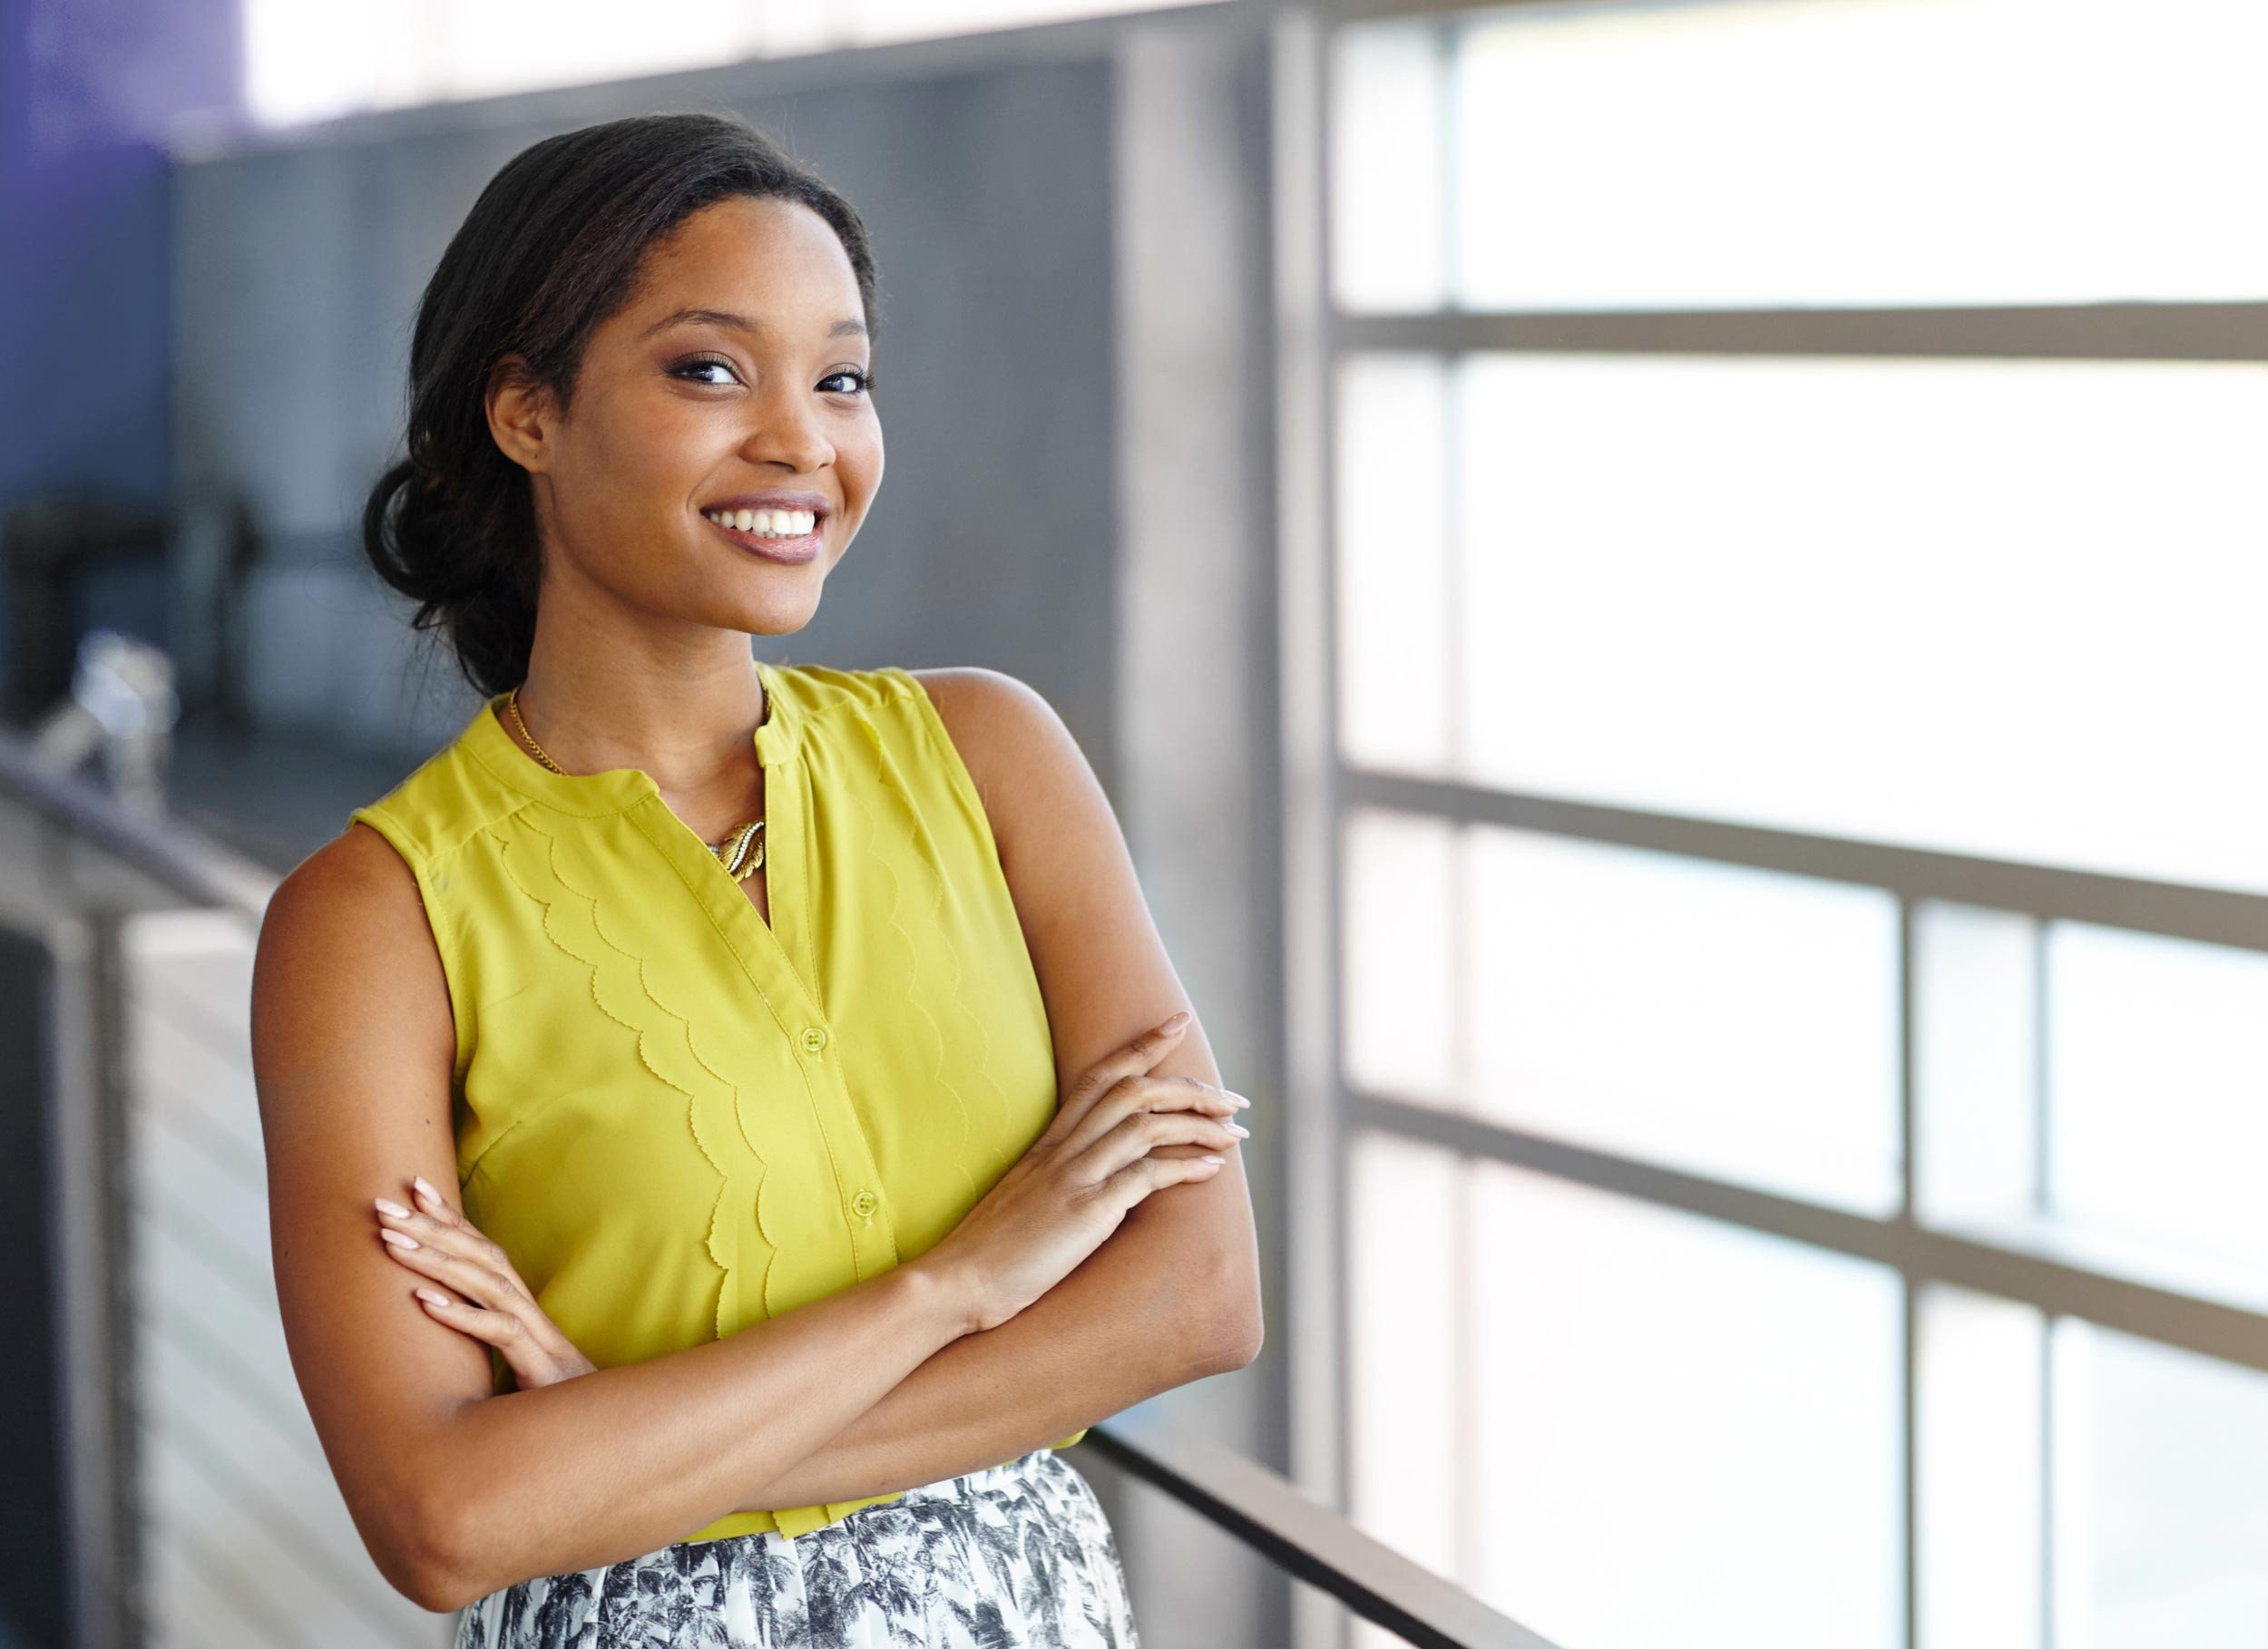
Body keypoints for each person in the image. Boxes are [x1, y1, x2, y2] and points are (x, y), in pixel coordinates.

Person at [248, 111, 1262, 1648]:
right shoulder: (375, 919)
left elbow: (1197, 1295)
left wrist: (626, 1446)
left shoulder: (992, 759)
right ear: (526, 409)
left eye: (841, 377)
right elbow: (447, 1516)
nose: (804, 440)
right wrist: (963, 1284)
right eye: (711, 369)